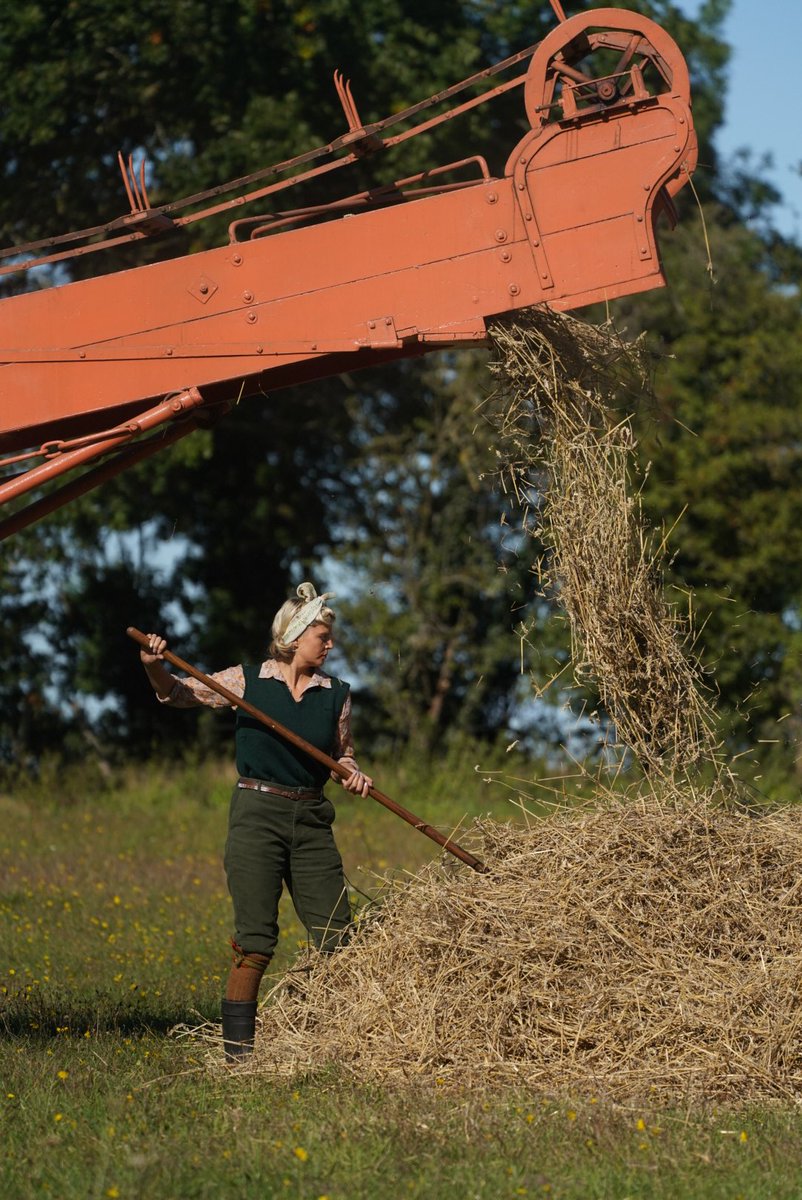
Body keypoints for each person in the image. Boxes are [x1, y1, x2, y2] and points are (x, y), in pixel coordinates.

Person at [138, 581, 373, 1061]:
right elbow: (180, 694)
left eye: (330, 638)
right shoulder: (247, 681)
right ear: (293, 637)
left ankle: (342, 1046)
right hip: (256, 815)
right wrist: (154, 667)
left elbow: (342, 755)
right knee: (255, 938)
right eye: (321, 637)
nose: (329, 646)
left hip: (310, 819)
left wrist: (352, 774)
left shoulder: (337, 695)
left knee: (338, 937)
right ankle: (238, 1058)